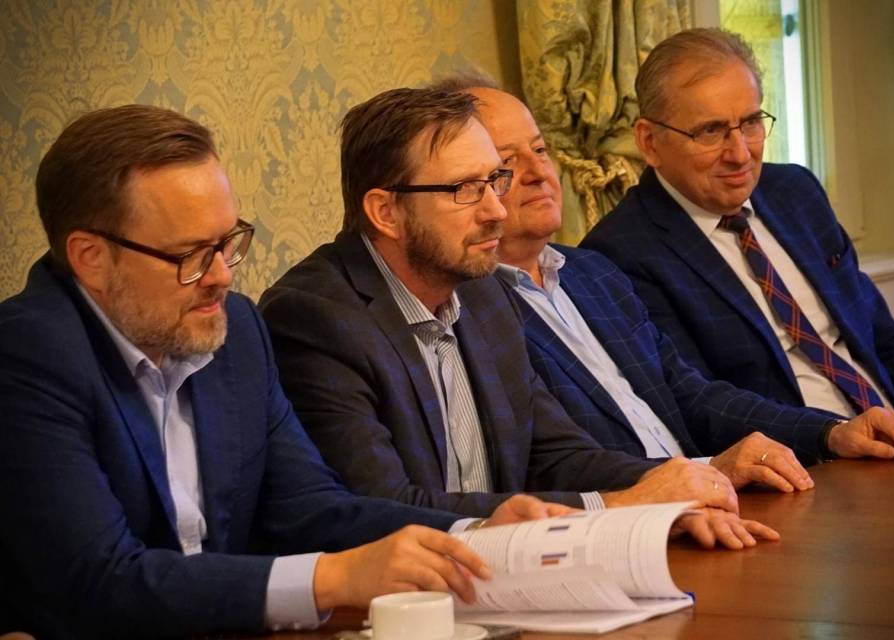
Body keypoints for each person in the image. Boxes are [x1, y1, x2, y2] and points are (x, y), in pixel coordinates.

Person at [0, 104, 564, 639]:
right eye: (191, 255)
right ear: (91, 257)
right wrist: (331, 577)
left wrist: (476, 535)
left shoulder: (237, 332)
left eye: (228, 243)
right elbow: (100, 581)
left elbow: (309, 508)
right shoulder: (28, 355)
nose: (222, 276)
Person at [259, 87, 778, 545]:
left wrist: (675, 490)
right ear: (385, 212)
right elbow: (382, 507)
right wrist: (618, 507)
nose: (496, 211)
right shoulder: (315, 319)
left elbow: (555, 454)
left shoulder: (485, 292)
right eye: (465, 190)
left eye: (495, 180)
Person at [435, 77, 894, 493]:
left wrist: (829, 433)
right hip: (635, 524)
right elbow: (549, 465)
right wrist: (703, 473)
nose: (538, 172)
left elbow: (691, 394)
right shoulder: (464, 309)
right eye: (506, 162)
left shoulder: (592, 273)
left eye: (541, 149)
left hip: (715, 500)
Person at [579, 28, 894, 428]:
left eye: (751, 123)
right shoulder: (619, 255)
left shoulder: (796, 192)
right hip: (802, 457)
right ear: (650, 142)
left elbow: (883, 334)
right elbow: (699, 406)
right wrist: (833, 437)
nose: (740, 154)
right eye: (710, 131)